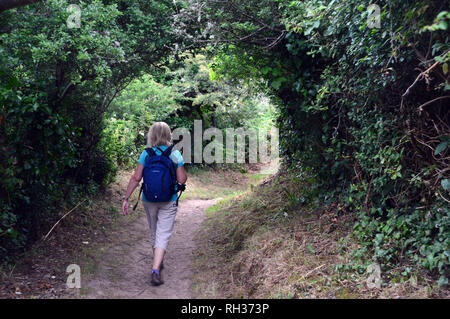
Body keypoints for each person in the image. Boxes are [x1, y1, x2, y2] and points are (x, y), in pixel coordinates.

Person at [121, 122, 187, 286]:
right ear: (168, 135)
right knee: (163, 233)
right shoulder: (175, 154)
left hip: (148, 199)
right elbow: (182, 180)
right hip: (169, 199)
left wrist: (126, 198)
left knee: (154, 231)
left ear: (151, 135)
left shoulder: (146, 153)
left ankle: (157, 261)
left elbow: (136, 178)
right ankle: (156, 270)